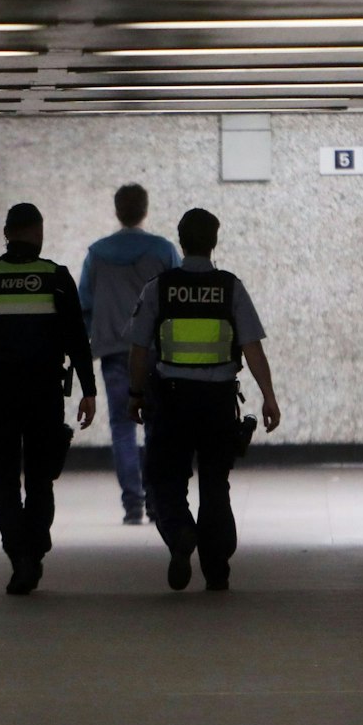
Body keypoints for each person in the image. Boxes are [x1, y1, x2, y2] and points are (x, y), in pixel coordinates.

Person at [126, 208, 280, 592]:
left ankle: (179, 532)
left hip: (171, 401)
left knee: (166, 479)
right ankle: (217, 570)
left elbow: (139, 348)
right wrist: (269, 397)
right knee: (215, 484)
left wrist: (135, 394)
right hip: (217, 402)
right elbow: (252, 349)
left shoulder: (157, 288)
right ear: (214, 241)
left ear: (181, 241)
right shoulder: (231, 288)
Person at [0, 202, 98, 595]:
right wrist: (89, 389)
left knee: (2, 478)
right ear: (38, 232)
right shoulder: (56, 278)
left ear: (7, 232)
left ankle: (20, 556)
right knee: (41, 478)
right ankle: (34, 548)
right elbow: (78, 341)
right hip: (44, 392)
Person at [79, 183, 182, 525]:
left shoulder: (97, 253)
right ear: (145, 209)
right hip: (154, 352)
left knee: (123, 428)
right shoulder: (163, 250)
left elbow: (85, 306)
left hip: (113, 352)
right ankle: (155, 503)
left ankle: (132, 505)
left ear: (117, 210)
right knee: (155, 426)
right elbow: (177, 299)